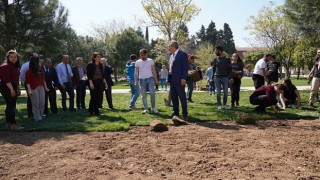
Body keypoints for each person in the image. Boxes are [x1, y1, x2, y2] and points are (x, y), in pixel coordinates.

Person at [0, 50, 22, 129]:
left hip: (13, 86)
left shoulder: (14, 66)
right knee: (11, 105)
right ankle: (13, 124)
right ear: (8, 58)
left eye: (15, 57)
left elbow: (16, 79)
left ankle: (9, 123)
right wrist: (12, 90)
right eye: (11, 57)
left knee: (10, 105)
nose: (13, 58)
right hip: (7, 86)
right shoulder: (5, 66)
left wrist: (18, 88)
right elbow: (6, 79)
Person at [167, 40, 189, 119]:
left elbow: (185, 67)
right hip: (172, 79)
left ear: (173, 46)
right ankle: (175, 112)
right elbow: (170, 68)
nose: (168, 48)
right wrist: (168, 78)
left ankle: (184, 113)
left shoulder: (182, 54)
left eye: (169, 46)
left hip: (180, 79)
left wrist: (184, 78)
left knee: (182, 97)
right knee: (173, 96)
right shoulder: (171, 55)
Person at [135, 49, 159, 114]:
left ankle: (153, 108)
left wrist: (156, 79)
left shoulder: (150, 61)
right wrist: (136, 80)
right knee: (143, 95)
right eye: (141, 55)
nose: (143, 56)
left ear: (146, 54)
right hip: (141, 80)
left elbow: (153, 70)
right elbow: (136, 72)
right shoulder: (137, 62)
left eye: (144, 55)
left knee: (152, 93)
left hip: (150, 79)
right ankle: (146, 109)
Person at [26, 56, 49, 122]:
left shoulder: (41, 70)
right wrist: (29, 90)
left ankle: (40, 116)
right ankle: (37, 118)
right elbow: (27, 82)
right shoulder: (29, 71)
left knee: (42, 103)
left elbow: (43, 80)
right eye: (39, 60)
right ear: (35, 62)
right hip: (33, 88)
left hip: (41, 87)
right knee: (36, 104)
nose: (40, 61)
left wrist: (46, 87)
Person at [20, 52, 38, 118]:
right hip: (29, 84)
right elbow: (21, 76)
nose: (37, 58)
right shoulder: (25, 65)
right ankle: (30, 113)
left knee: (37, 98)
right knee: (30, 98)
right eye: (36, 57)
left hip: (37, 84)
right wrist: (27, 82)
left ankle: (36, 112)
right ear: (31, 57)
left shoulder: (38, 65)